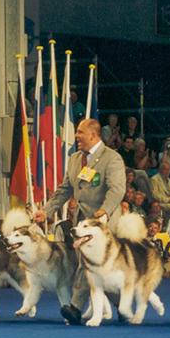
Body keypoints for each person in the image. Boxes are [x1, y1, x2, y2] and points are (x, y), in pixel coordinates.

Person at [33, 118, 126, 325]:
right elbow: (65, 189)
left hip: (103, 225)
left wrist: (105, 210)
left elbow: (117, 189)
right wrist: (47, 211)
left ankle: (75, 308)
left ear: (93, 135)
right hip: (81, 224)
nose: (76, 136)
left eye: (80, 132)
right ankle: (123, 306)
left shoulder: (112, 159)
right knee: (97, 271)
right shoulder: (75, 159)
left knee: (87, 265)